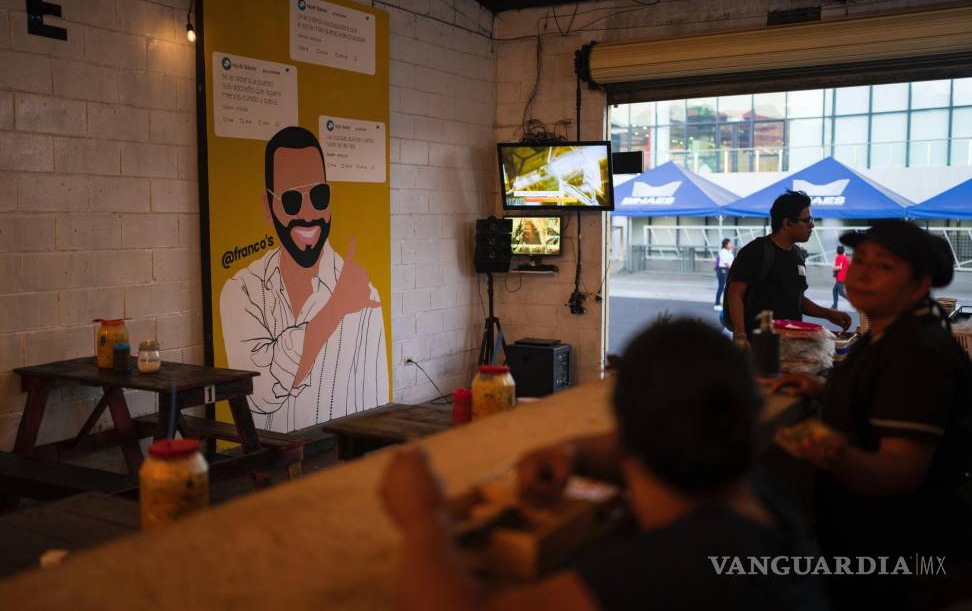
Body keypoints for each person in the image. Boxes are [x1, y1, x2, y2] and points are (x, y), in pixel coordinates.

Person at [379, 319, 828, 611]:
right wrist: (572, 454)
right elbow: (632, 447)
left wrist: (423, 518)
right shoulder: (758, 502)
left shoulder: (670, 570)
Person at [771, 220, 972, 610]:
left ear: (918, 285)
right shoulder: (890, 332)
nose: (862, 272)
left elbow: (897, 472)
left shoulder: (917, 352)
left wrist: (824, 447)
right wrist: (822, 389)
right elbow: (883, 398)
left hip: (905, 555)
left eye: (883, 266)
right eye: (860, 260)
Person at [220, 126, 388, 433]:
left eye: (319, 196)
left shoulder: (364, 298)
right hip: (264, 464)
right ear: (268, 207)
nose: (309, 213)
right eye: (292, 201)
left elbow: (375, 405)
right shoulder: (241, 291)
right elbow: (259, 393)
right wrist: (334, 310)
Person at [725, 190, 851, 345]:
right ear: (787, 223)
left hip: (790, 346)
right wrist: (741, 336)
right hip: (758, 345)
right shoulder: (756, 251)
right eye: (807, 220)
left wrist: (829, 314)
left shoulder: (797, 254)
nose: (812, 226)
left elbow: (797, 299)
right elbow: (735, 295)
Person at [714, 237, 733, 310]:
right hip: (722, 270)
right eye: (730, 243)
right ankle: (717, 304)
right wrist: (733, 269)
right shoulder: (723, 252)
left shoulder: (729, 251)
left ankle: (724, 303)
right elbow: (726, 263)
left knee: (726, 287)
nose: (731, 244)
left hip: (727, 270)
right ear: (726, 245)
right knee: (721, 286)